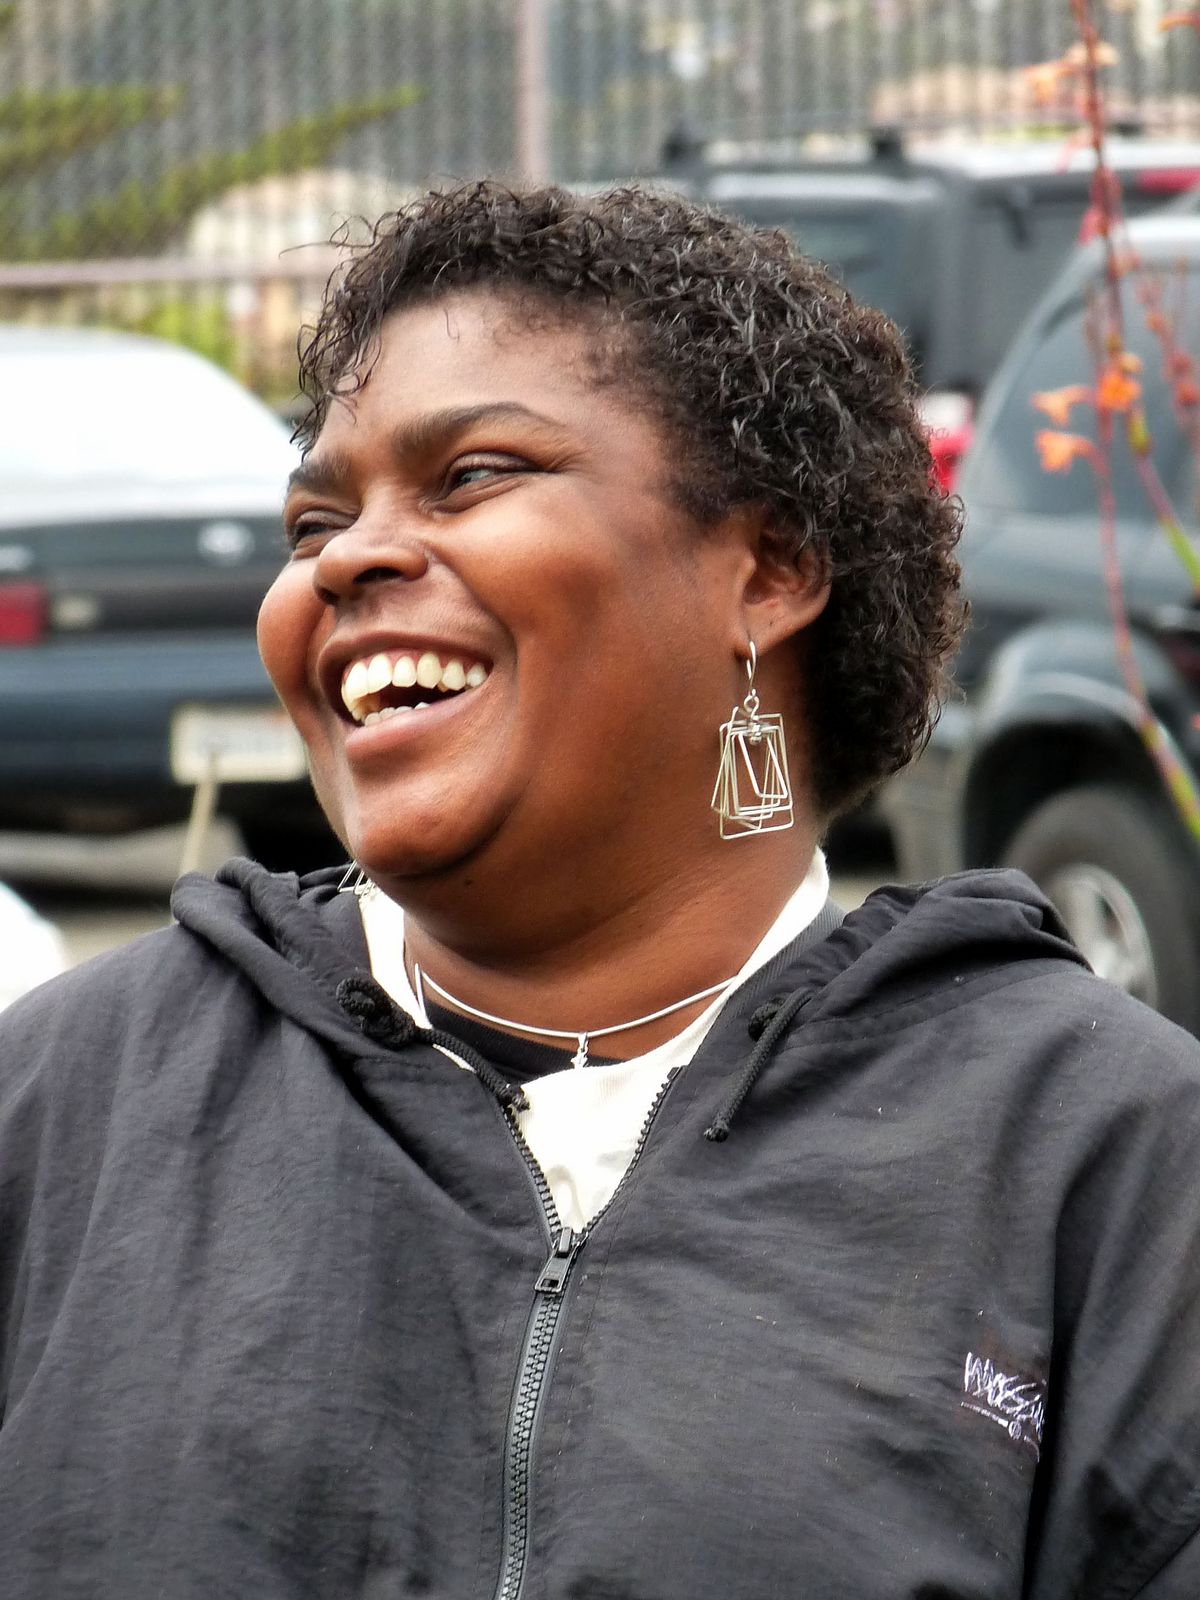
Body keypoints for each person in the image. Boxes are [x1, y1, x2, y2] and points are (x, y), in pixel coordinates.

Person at [2, 181, 1199, 1600]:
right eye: (315, 521)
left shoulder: (1105, 1155)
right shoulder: (72, 1099)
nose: (351, 557)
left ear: (770, 571)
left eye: (471, 476)